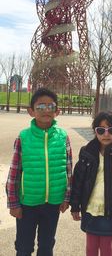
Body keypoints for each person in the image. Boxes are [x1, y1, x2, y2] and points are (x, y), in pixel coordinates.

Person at [6, 87, 72, 256]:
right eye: (40, 107)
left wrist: (66, 196)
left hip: (53, 203)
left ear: (57, 111)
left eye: (50, 106)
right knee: (24, 246)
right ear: (31, 111)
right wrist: (13, 203)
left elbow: (69, 170)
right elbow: (14, 172)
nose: (46, 111)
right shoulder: (23, 137)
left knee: (47, 245)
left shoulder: (63, 137)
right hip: (27, 203)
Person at [70, 111, 112, 256]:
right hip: (90, 207)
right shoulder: (87, 152)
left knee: (106, 245)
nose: (106, 134)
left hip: (110, 208)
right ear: (95, 131)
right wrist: (75, 205)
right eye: (101, 130)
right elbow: (78, 180)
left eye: (111, 130)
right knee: (91, 244)